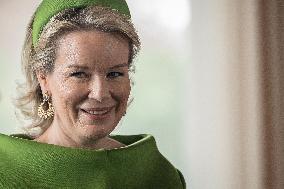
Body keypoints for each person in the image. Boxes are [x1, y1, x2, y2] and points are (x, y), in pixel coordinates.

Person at [0, 0, 186, 188]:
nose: (100, 93)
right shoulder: (5, 172)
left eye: (115, 74)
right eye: (79, 74)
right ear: (44, 80)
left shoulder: (157, 173)